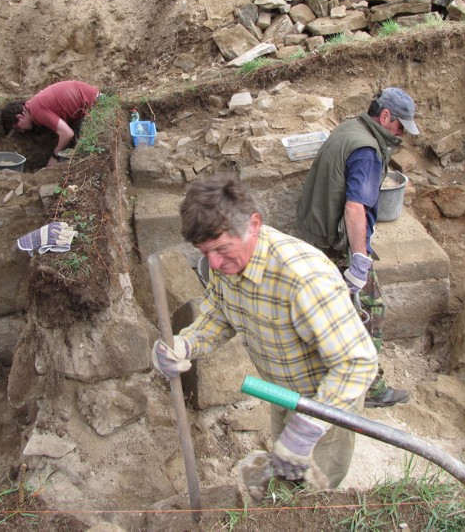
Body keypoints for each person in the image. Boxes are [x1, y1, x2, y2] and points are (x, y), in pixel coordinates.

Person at [152, 174, 378, 492]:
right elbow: (219, 313)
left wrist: (306, 430)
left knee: (312, 493)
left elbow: (358, 364)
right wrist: (185, 343)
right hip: (282, 391)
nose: (214, 263)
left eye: (220, 249)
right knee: (285, 473)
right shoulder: (226, 264)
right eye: (205, 253)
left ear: (254, 225)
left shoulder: (303, 279)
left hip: (326, 405)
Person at [295, 87, 420, 408]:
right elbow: (355, 208)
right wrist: (360, 259)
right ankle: (370, 388)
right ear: (386, 116)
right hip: (337, 246)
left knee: (333, 312)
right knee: (369, 312)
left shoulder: (351, 128)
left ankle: (330, 371)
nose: (402, 133)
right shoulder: (366, 150)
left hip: (315, 235)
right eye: (400, 125)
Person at [0, 80, 100, 167]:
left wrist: (55, 156)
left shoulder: (37, 111)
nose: (21, 131)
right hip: (89, 104)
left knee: (78, 153)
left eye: (17, 128)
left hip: (96, 106)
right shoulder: (34, 106)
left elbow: (67, 134)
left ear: (20, 117)